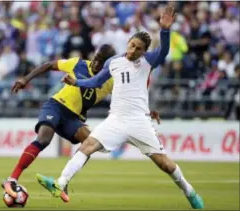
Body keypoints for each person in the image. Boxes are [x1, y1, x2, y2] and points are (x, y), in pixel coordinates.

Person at [37, 5, 204, 209]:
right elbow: (96, 82)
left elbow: (164, 51)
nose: (133, 50)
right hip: (115, 119)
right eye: (131, 45)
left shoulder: (147, 61)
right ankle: (60, 183)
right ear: (127, 42)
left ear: (144, 51)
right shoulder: (113, 62)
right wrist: (76, 83)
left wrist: (165, 30)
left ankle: (190, 192)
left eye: (138, 48)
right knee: (87, 146)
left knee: (165, 164)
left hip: (138, 121)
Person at [2, 43, 161, 199]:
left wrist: (146, 111)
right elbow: (49, 65)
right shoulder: (78, 63)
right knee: (44, 139)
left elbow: (130, 95)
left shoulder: (110, 80)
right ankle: (12, 179)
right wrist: (25, 79)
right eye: (96, 58)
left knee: (89, 144)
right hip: (56, 106)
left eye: (102, 61)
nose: (97, 63)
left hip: (73, 118)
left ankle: (62, 183)